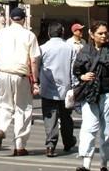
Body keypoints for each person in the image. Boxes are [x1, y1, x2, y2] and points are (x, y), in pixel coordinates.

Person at [73, 20, 109, 171]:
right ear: (92, 34)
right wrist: (82, 76)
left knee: (108, 130)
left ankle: (104, 164)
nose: (104, 36)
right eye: (100, 33)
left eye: (105, 33)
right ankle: (86, 165)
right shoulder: (85, 50)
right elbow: (76, 70)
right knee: (88, 128)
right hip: (89, 95)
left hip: (108, 94)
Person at [0, 6, 41, 156]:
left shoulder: (1, 33)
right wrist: (35, 81)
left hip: (2, 73)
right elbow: (34, 61)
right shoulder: (29, 35)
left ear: (10, 19)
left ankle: (1, 129)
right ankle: (19, 146)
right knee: (22, 109)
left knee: (4, 106)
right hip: (20, 75)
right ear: (24, 19)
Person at [39, 22, 77, 158]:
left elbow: (38, 67)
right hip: (66, 89)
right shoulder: (70, 48)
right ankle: (68, 141)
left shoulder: (43, 48)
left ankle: (50, 145)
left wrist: (37, 82)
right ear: (62, 32)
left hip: (48, 88)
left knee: (50, 118)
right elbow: (74, 69)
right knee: (66, 117)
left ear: (49, 33)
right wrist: (74, 86)